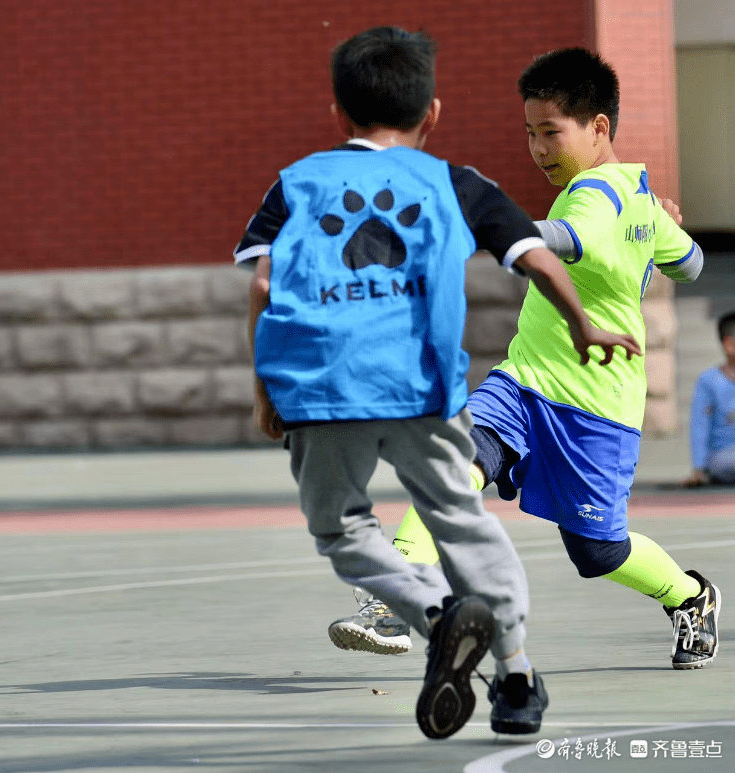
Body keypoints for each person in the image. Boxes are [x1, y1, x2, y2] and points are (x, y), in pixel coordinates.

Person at [235, 27, 641, 739]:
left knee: (343, 527)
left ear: (338, 115)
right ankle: (516, 679)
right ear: (433, 114)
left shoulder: (297, 182)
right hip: (422, 386)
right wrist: (582, 323)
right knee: (463, 522)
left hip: (324, 390)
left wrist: (266, 389)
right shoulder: (455, 181)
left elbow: (263, 282)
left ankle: (432, 614)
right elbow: (536, 258)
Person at [328, 47, 720, 675]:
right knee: (457, 464)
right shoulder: (640, 196)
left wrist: (481, 227)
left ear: (599, 127)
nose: (539, 148)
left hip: (596, 405)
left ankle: (691, 596)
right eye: (530, 133)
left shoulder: (594, 195)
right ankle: (391, 598)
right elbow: (694, 263)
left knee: (598, 552)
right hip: (525, 380)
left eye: (551, 132)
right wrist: (664, 235)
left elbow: (561, 238)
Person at [682, 311, 735, 486]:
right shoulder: (709, 380)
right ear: (729, 344)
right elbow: (700, 425)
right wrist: (698, 468)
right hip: (723, 456)